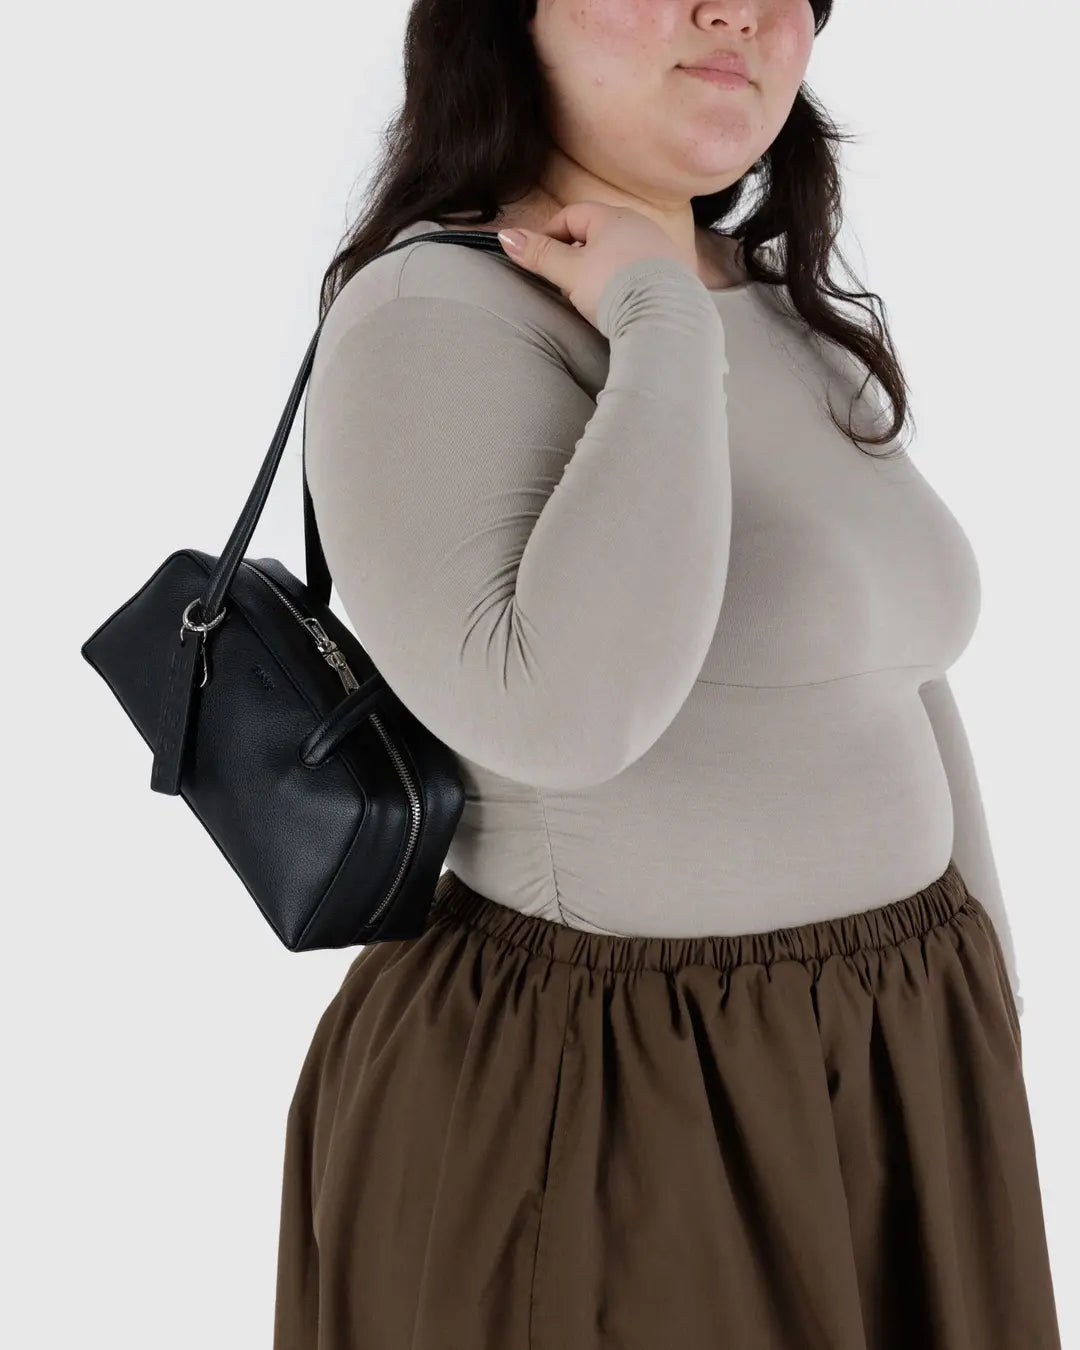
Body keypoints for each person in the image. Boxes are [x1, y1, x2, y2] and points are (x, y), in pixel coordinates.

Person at [272, 2, 1061, 1347]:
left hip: (894, 1054)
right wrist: (655, 323)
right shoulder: (433, 312)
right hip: (608, 1095)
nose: (735, 12)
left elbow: (901, 674)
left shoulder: (765, 296)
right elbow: (564, 714)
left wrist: (981, 1022)